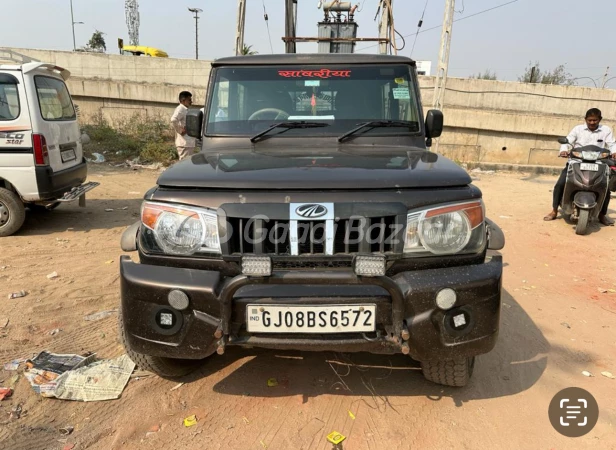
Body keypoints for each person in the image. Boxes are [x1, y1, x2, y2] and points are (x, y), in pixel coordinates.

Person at [544, 108, 615, 226]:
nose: (592, 122)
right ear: (585, 119)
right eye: (590, 120)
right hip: (576, 162)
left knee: (605, 188)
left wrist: (614, 152)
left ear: (600, 120)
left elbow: (612, 144)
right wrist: (564, 151)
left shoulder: (606, 130)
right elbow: (568, 141)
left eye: (595, 120)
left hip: (598, 164)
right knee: (560, 184)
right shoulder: (578, 129)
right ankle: (554, 210)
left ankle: (602, 214)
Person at [170, 91, 196, 161]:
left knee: (188, 165)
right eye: (189, 100)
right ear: (183, 100)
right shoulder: (180, 108)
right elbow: (173, 119)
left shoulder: (185, 109)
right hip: (184, 143)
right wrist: (180, 130)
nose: (191, 101)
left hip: (188, 143)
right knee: (184, 166)